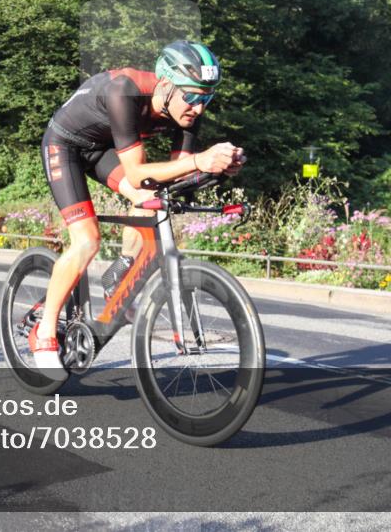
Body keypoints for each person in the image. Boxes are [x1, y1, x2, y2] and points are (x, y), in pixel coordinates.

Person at [31, 40, 246, 378]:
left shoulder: (188, 113)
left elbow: (178, 172)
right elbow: (135, 172)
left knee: (154, 196)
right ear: (166, 84)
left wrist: (214, 168)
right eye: (192, 97)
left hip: (103, 149)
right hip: (66, 145)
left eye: (207, 98)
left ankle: (120, 272)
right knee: (87, 241)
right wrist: (201, 160)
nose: (199, 108)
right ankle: (44, 334)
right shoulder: (125, 92)